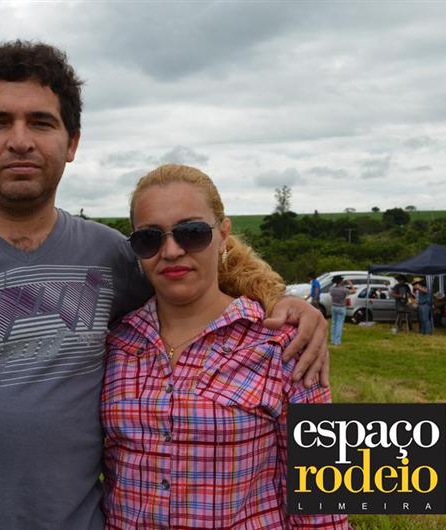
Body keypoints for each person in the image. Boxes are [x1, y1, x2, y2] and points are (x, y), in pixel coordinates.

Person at [0, 41, 330, 529]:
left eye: (41, 122)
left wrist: (286, 301)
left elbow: (192, 280)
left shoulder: (111, 255)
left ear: (72, 142)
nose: (20, 140)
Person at [101, 164, 348, 529]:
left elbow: (324, 505)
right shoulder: (115, 343)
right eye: (150, 238)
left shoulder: (283, 343)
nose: (171, 251)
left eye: (192, 233)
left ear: (223, 234)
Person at [328, 275, 355, 345]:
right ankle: (337, 341)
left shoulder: (331, 289)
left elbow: (332, 291)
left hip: (334, 306)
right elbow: (354, 291)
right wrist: (350, 283)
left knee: (333, 323)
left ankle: (332, 340)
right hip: (341, 307)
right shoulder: (344, 289)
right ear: (340, 281)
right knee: (339, 324)